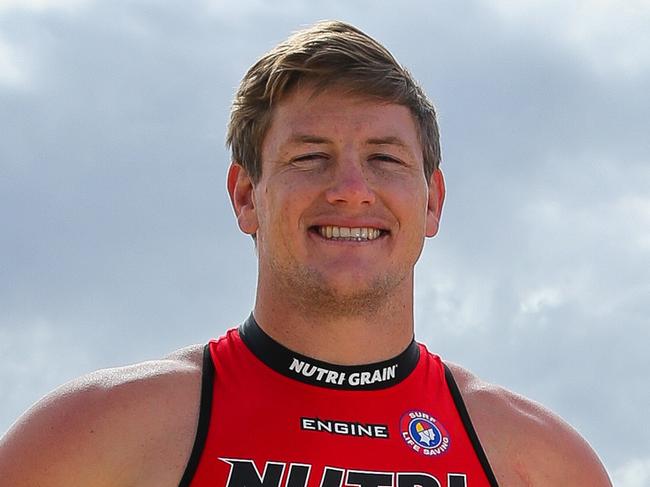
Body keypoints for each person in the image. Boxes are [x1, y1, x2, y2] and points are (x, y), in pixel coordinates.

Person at [0, 20, 611, 487]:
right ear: (246, 196)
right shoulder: (91, 439)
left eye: (385, 158)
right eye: (309, 157)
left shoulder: (542, 465)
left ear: (432, 203)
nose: (349, 189)